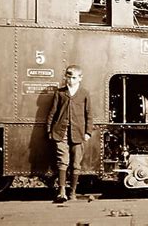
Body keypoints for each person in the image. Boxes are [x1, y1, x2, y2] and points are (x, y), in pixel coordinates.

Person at [46, 65, 93, 202]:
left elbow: (89, 114)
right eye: (68, 77)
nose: (70, 80)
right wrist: (49, 129)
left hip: (78, 134)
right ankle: (61, 192)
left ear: (80, 78)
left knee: (76, 164)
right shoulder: (60, 93)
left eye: (73, 78)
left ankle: (72, 192)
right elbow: (52, 113)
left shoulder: (84, 93)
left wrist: (88, 132)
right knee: (62, 161)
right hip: (61, 133)